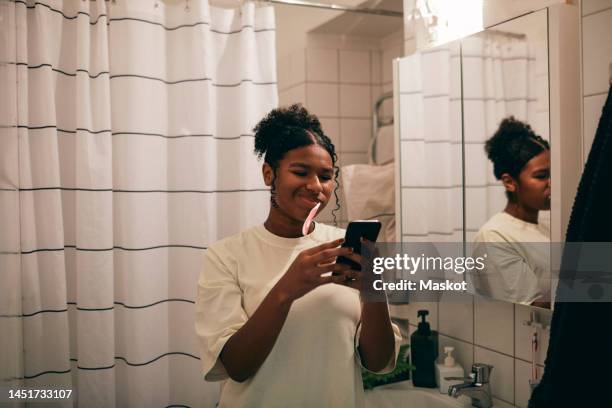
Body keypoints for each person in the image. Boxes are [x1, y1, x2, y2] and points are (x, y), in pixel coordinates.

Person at [196, 104, 401, 407]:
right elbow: (237, 368)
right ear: (269, 174)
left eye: (326, 176)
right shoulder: (227, 256)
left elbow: (377, 362)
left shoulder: (345, 247)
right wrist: (286, 290)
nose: (316, 186)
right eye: (301, 172)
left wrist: (374, 290)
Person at [470, 117, 551, 307]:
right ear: (509, 182)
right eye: (541, 176)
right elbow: (526, 311)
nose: (552, 182)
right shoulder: (494, 236)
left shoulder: (546, 229)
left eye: (554, 173)